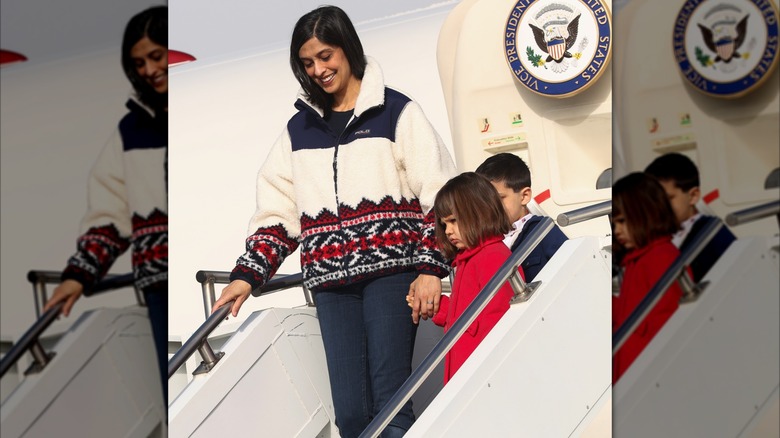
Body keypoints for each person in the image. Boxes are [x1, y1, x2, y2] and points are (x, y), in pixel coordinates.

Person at [210, 6, 457, 437]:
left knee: (391, 400)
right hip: (330, 286)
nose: (319, 70)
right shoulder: (299, 130)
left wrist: (431, 267)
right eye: (307, 63)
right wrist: (248, 275)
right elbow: (279, 212)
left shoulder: (396, 113)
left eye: (326, 56)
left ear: (348, 48)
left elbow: (440, 193)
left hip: (391, 277)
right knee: (350, 413)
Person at [43, 5, 168, 403]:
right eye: (139, 63)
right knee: (175, 396)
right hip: (160, 287)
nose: (149, 69)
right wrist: (78, 275)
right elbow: (110, 216)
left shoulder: (208, 105)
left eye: (156, 56)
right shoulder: (131, 130)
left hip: (211, 278)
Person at [409, 172, 518, 384]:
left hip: (483, 378)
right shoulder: (467, 260)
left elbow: (497, 321)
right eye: (444, 224)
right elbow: (467, 314)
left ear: (478, 213)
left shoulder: (492, 256)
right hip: (469, 377)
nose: (448, 231)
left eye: (453, 221)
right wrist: (438, 306)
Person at [612, 172, 687, 383]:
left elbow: (664, 324)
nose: (617, 231)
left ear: (644, 215)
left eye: (622, 221)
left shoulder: (659, 258)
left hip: (647, 377)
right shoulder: (638, 260)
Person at [475, 153, 568, 281]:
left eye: (499, 199)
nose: (491, 207)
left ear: (524, 196)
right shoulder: (484, 241)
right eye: (484, 201)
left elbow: (571, 269)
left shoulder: (543, 231)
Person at [644, 152, 736, 282]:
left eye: (667, 199)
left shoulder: (712, 235)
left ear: (693, 196)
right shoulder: (651, 238)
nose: (658, 207)